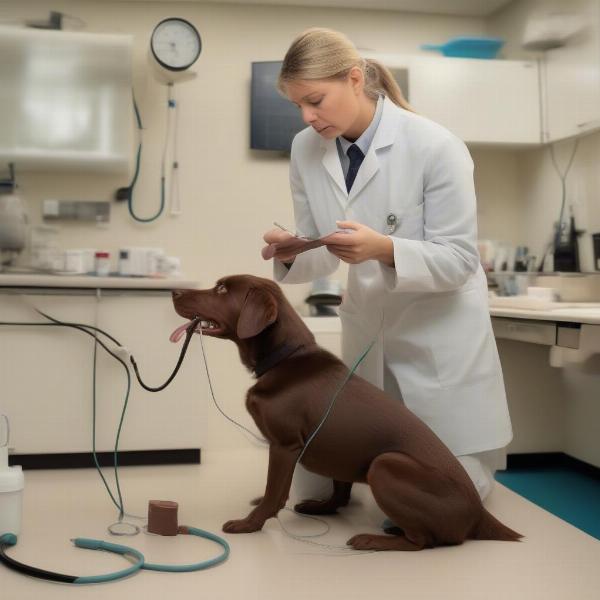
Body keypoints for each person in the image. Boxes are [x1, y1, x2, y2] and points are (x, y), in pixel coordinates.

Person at [262, 28, 513, 507]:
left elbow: (460, 259)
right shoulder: (305, 149)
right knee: (316, 484)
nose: (307, 117)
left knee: (452, 494)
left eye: (315, 100)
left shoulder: (436, 146)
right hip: (370, 323)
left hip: (437, 330)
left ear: (355, 79)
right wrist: (292, 250)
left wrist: (384, 249)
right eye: (298, 106)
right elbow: (323, 245)